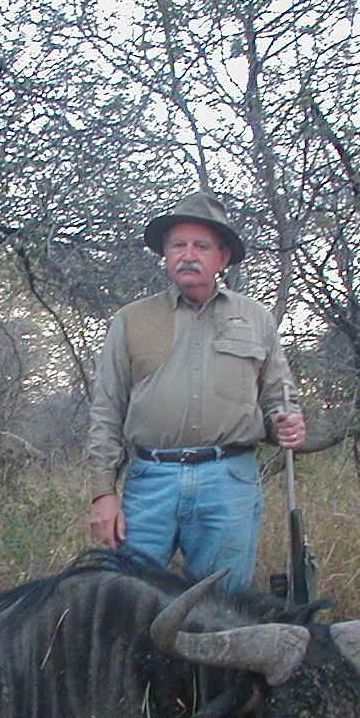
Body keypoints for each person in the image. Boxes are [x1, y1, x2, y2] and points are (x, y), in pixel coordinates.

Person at [85, 190, 305, 592]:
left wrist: (284, 424)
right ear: (166, 255)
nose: (188, 255)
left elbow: (278, 397)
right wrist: (104, 494)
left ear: (222, 258)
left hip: (228, 480)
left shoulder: (255, 318)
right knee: (128, 603)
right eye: (178, 245)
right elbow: (106, 409)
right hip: (150, 481)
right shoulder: (131, 320)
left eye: (201, 246)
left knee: (224, 607)